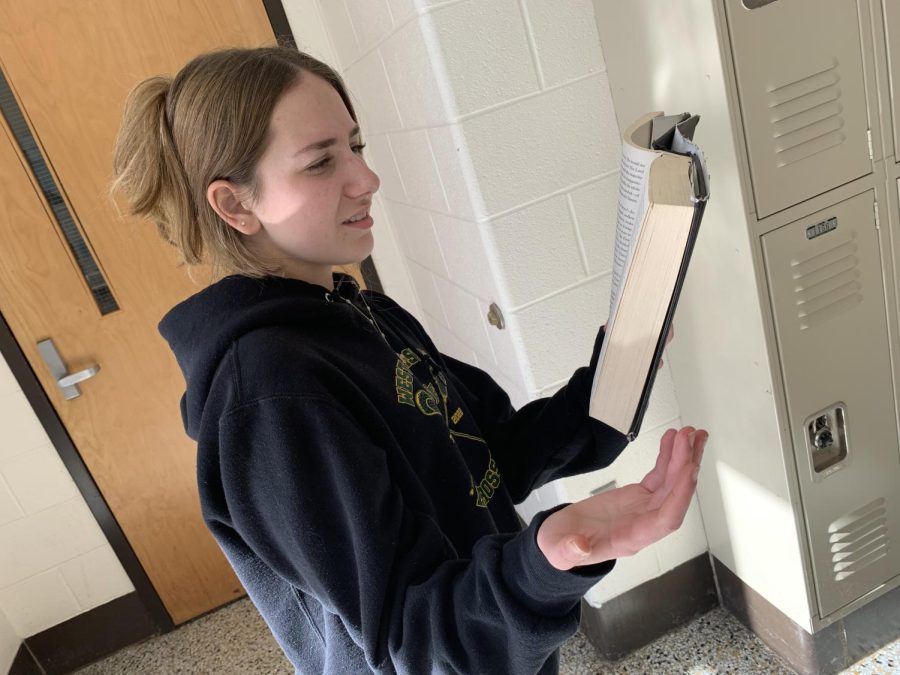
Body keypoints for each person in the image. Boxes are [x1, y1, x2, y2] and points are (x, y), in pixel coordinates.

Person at [111, 45, 708, 674]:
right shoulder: (270, 397)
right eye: (320, 162)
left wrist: (617, 371)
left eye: (356, 146)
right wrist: (544, 562)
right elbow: (412, 639)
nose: (365, 179)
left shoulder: (366, 313)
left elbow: (488, 457)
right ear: (236, 205)